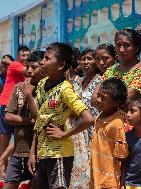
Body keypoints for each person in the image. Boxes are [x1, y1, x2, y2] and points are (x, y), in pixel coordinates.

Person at [26, 42, 94, 189]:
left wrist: (64, 134)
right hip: (42, 153)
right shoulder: (42, 84)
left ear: (61, 65)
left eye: (47, 58)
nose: (42, 62)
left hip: (59, 155)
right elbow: (39, 121)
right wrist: (32, 152)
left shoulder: (65, 89)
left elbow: (88, 119)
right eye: (43, 58)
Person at [2, 51, 45, 189]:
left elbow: (42, 119)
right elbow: (8, 116)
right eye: (27, 67)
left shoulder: (47, 90)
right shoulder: (18, 87)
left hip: (40, 153)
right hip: (18, 151)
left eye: (34, 67)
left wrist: (28, 95)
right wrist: (31, 121)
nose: (29, 71)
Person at [67, 48, 102, 189]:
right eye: (83, 59)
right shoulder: (77, 81)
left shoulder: (100, 80)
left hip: (93, 129)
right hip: (78, 131)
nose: (86, 62)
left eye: (90, 59)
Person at [90, 78, 128, 189]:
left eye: (104, 98)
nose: (98, 100)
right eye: (98, 95)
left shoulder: (117, 124)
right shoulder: (100, 115)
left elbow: (122, 157)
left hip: (109, 181)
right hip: (96, 176)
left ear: (117, 103)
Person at [0, 46, 30, 174]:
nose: (26, 58)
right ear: (18, 57)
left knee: (18, 136)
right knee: (4, 138)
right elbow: (26, 71)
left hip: (19, 107)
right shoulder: (16, 66)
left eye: (28, 55)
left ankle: (3, 164)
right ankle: (2, 168)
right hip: (6, 104)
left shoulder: (26, 70)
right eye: (23, 55)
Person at [103, 28, 141, 97]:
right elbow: (95, 98)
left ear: (136, 48)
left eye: (127, 45)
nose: (121, 50)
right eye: (118, 45)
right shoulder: (111, 70)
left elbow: (129, 95)